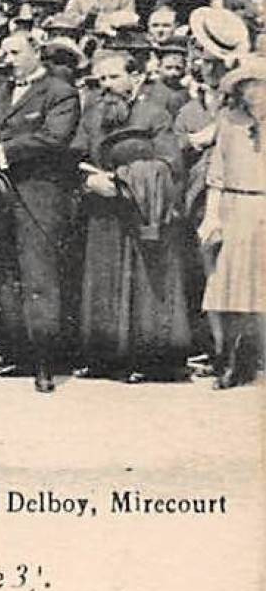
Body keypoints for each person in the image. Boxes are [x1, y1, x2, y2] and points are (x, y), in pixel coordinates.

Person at [0, 30, 82, 392]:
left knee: (39, 279)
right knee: (5, 275)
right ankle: (16, 353)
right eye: (4, 53)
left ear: (36, 53)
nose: (8, 58)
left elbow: (54, 138)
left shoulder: (60, 92)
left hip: (39, 197)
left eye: (15, 52)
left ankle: (46, 362)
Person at [74, 51, 191, 382]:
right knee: (103, 278)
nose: (107, 86)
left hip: (143, 211)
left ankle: (149, 360)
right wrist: (89, 181)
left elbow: (170, 166)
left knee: (144, 283)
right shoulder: (92, 116)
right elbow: (75, 157)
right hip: (102, 209)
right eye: (101, 80)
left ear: (135, 77)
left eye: (113, 77)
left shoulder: (155, 115)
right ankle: (104, 358)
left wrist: (126, 178)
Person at [197, 55, 266, 388]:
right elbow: (217, 173)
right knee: (231, 285)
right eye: (248, 86)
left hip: (263, 206)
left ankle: (254, 358)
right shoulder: (229, 121)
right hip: (234, 205)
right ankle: (229, 360)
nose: (254, 92)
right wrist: (212, 216)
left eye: (260, 85)